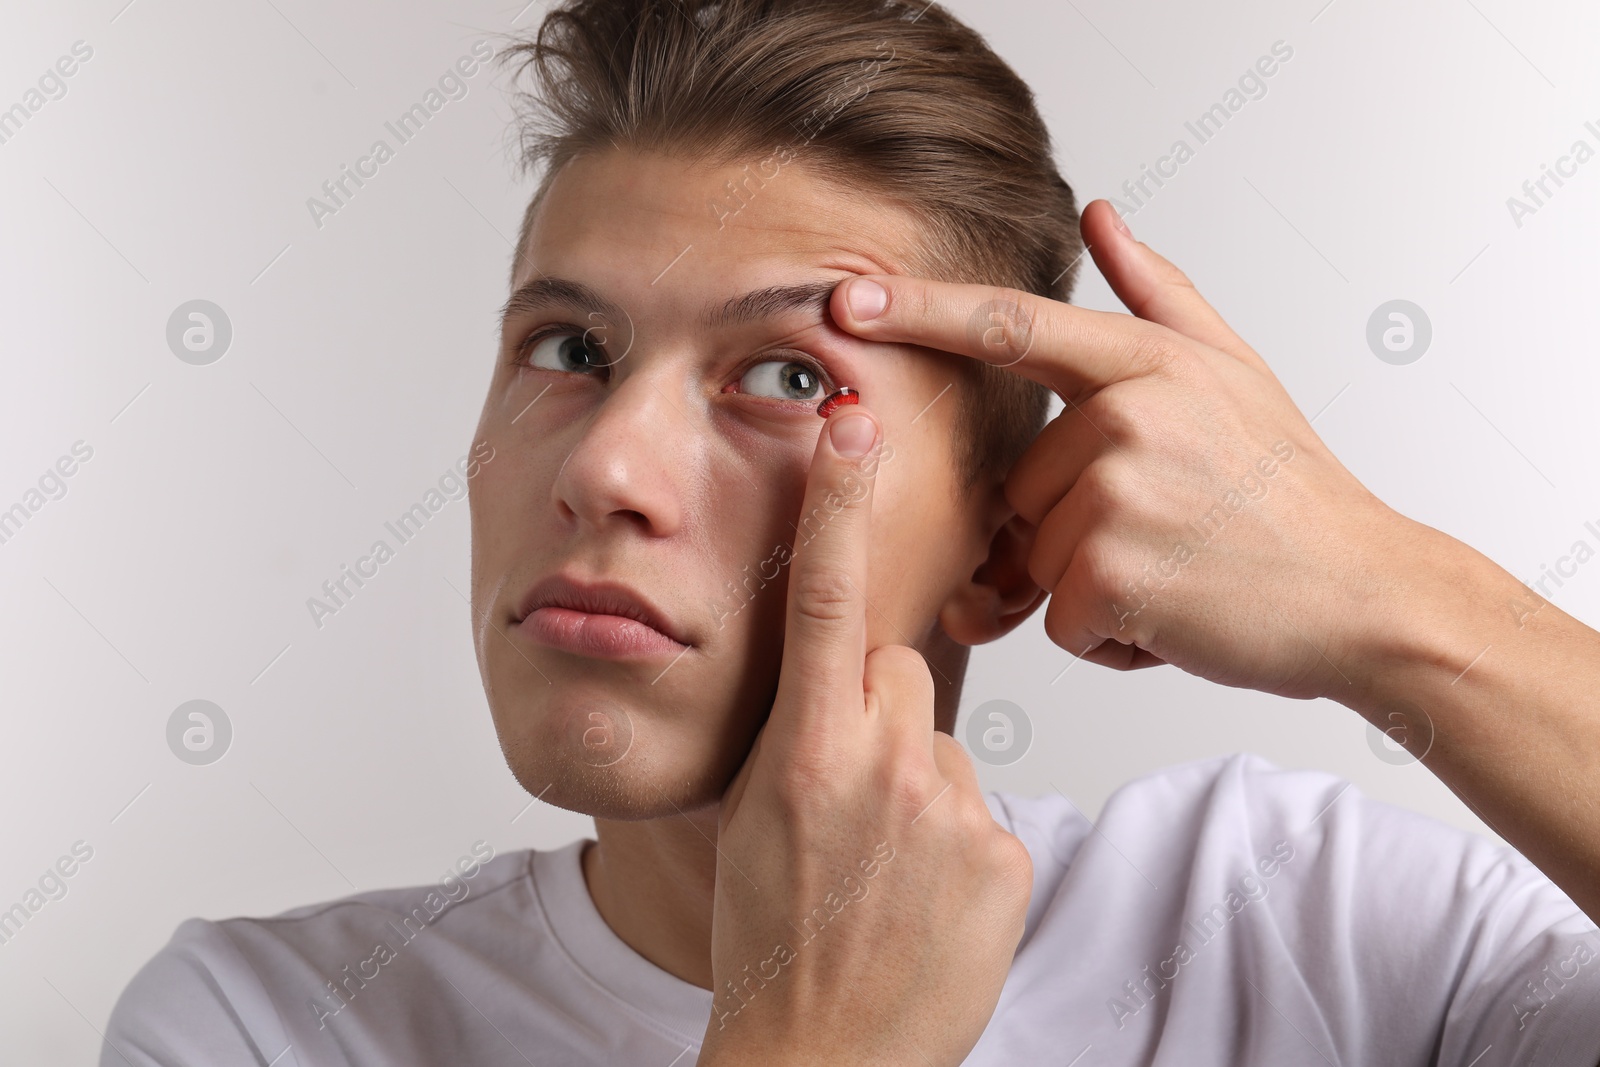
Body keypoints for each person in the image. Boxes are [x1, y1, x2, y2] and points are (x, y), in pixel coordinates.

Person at [103, 0, 1600, 1064]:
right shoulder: (259, 1025)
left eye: (787, 376)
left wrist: (1402, 597)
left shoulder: (1306, 923)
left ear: (1005, 554)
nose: (606, 468)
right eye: (568, 349)